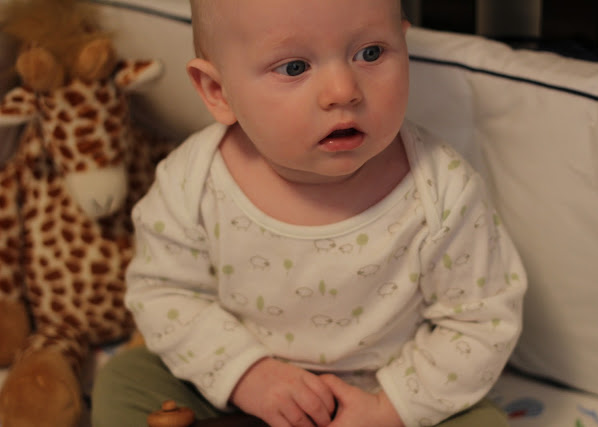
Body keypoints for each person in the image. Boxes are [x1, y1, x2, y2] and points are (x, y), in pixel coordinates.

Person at [92, 0, 527, 426]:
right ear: (218, 91)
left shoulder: (440, 188)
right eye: (295, 67)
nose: (343, 91)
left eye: (370, 53)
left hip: (382, 397)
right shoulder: (193, 181)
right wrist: (246, 375)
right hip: (238, 391)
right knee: (126, 381)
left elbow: (483, 319)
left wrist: (391, 407)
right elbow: (163, 293)